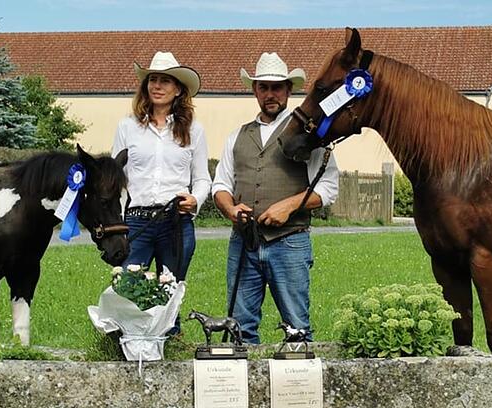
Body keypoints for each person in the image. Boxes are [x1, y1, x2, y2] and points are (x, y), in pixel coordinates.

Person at [212, 52, 339, 344]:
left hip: (290, 241)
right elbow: (220, 184)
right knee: (239, 328)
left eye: (277, 87)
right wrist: (230, 209)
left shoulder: (308, 134)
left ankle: (298, 388)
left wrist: (290, 205)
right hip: (243, 241)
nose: (270, 94)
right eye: (263, 87)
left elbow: (329, 187)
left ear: (288, 89)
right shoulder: (236, 136)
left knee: (296, 326)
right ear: (255, 90)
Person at [111, 51, 210, 303]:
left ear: (178, 89)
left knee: (171, 292)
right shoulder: (127, 127)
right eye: (152, 79)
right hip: (136, 221)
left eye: (165, 80)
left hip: (175, 222)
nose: (157, 86)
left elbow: (201, 178)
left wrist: (195, 199)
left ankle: (170, 340)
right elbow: (117, 179)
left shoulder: (194, 130)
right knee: (127, 292)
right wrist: (119, 221)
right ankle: (128, 341)